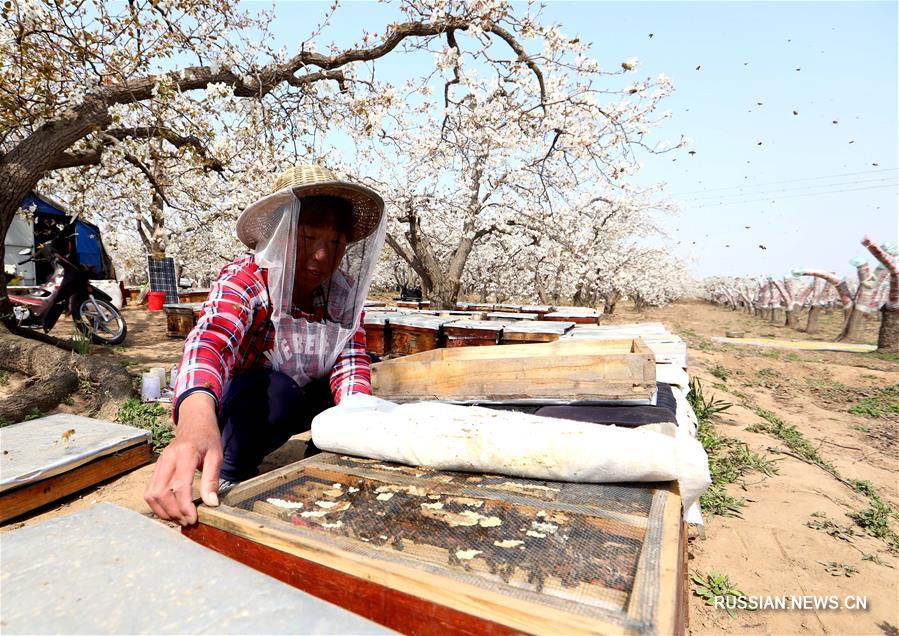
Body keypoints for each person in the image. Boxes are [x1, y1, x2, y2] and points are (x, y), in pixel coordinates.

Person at [144, 165, 386, 525]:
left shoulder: (342, 292)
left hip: (298, 395)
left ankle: (324, 452)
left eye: (334, 243)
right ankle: (230, 469)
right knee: (278, 392)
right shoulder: (246, 280)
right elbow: (211, 340)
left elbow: (350, 361)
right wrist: (194, 420)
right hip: (243, 402)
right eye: (308, 237)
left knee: (362, 389)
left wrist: (354, 430)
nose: (322, 256)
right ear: (279, 234)